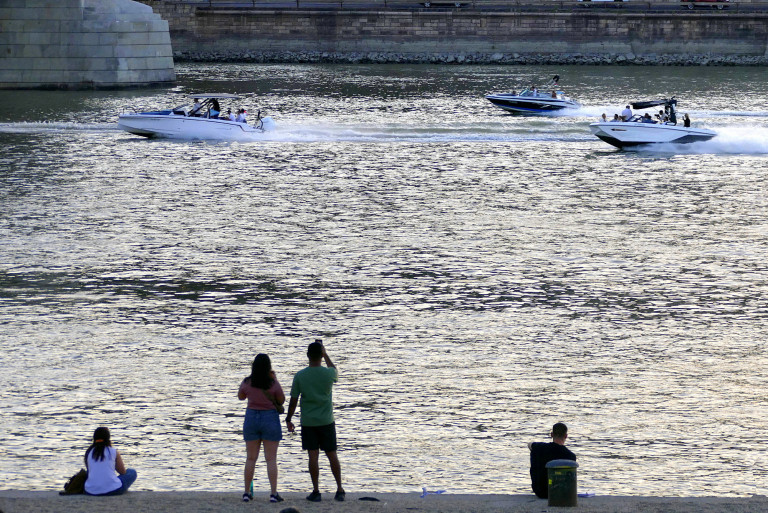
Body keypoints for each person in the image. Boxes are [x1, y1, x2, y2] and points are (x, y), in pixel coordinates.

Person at [285, 340, 345, 503]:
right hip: (326, 421)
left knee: (313, 456)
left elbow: (293, 400)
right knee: (332, 454)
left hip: (309, 422)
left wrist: (288, 419)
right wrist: (326, 354)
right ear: (321, 355)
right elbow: (335, 370)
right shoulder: (328, 374)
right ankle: (339, 489)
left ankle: (316, 491)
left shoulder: (300, 375)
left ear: (307, 356)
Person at [238, 353, 285, 503]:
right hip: (269, 418)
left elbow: (241, 396)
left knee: (251, 458)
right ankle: (273, 494)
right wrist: (275, 379)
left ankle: (246, 492)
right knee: (271, 458)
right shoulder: (272, 383)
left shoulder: (247, 381)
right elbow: (281, 399)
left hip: (251, 417)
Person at [83, 427, 137, 496]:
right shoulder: (113, 451)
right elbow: (122, 472)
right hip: (113, 490)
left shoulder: (89, 452)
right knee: (131, 472)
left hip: (90, 491)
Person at [528, 422, 576, 499]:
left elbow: (530, 444)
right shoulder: (571, 456)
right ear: (566, 436)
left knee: (535, 452)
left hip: (540, 492)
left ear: (551, 434)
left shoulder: (540, 447)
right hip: (560, 493)